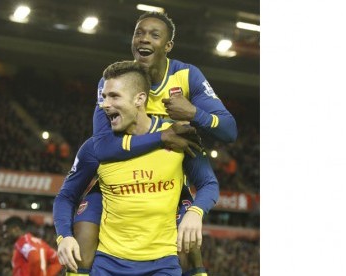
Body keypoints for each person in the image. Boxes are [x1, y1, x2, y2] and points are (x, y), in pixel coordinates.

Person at [73, 11, 237, 276]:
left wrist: (195, 113)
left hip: (165, 182)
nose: (143, 39)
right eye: (139, 33)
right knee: (82, 239)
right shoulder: (116, 82)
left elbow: (229, 130)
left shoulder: (186, 77)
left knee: (188, 248)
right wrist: (162, 137)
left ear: (168, 46)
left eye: (153, 34)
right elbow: (103, 146)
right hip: (118, 181)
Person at [53, 61, 219, 276]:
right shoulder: (96, 148)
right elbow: (66, 196)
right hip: (108, 264)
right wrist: (64, 237)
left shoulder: (179, 136)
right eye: (104, 97)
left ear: (139, 99)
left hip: (163, 264)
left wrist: (196, 213)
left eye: (114, 96)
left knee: (191, 241)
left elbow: (209, 184)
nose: (104, 104)